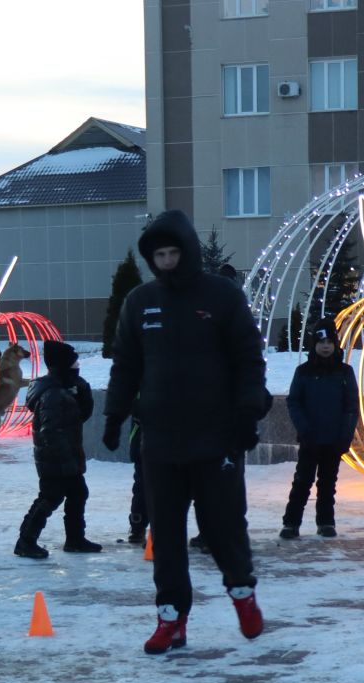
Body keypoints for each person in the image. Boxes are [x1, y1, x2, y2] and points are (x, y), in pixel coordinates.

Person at [103, 209, 268, 654]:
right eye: (160, 254)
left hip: (217, 437)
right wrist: (115, 414)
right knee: (167, 535)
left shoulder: (222, 296)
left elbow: (248, 358)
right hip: (161, 440)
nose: (168, 261)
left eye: (174, 252)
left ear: (189, 251)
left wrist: (247, 413)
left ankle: (242, 593)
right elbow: (126, 364)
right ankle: (171, 620)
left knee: (224, 527)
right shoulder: (140, 302)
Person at [16, 340, 101, 558]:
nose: (77, 366)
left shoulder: (66, 388)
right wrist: (61, 458)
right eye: (74, 364)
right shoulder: (53, 394)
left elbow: (81, 416)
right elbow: (50, 430)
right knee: (50, 497)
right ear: (63, 366)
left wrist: (83, 391)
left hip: (68, 456)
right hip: (55, 458)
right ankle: (26, 541)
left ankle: (75, 539)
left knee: (78, 493)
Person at [281, 318, 358, 539]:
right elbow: (294, 401)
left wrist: (345, 435)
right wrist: (304, 429)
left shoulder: (344, 372)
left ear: (336, 345)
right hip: (310, 438)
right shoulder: (303, 371)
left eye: (329, 342)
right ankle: (291, 523)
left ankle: (326, 522)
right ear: (314, 345)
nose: (325, 346)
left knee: (327, 483)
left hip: (334, 439)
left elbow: (351, 406)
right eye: (321, 342)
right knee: (302, 482)